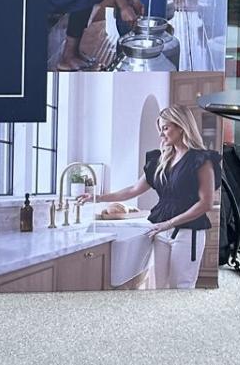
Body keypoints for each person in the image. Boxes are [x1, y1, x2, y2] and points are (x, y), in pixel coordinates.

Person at [84, 107, 218, 289]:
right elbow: (133, 189)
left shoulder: (201, 159)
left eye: (165, 128)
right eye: (160, 129)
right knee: (160, 287)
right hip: (161, 231)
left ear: (181, 127)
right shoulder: (160, 160)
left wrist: (169, 223)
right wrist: (97, 197)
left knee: (182, 288)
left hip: (187, 233)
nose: (161, 134)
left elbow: (205, 203)